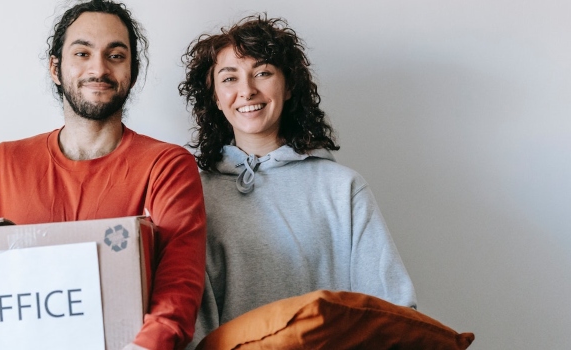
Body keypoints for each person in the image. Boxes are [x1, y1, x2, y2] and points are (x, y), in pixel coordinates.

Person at [0, 1, 206, 349]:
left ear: (132, 72)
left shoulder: (167, 165)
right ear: (56, 68)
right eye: (82, 53)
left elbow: (178, 289)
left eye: (116, 55)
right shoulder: (0, 164)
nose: (99, 68)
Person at [178, 15, 417, 346]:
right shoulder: (193, 196)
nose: (246, 90)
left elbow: (394, 312)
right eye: (229, 78)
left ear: (288, 86)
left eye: (262, 73)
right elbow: (190, 322)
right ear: (215, 97)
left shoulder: (342, 188)